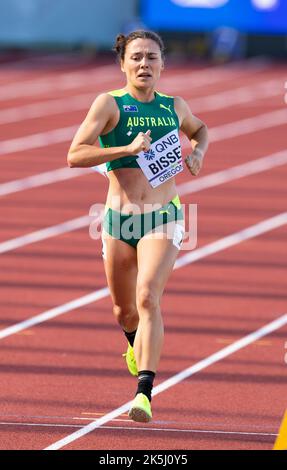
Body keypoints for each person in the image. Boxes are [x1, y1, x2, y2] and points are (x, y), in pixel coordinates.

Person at [67, 30, 208, 423]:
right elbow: (75, 154)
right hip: (117, 220)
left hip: (164, 216)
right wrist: (126, 150)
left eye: (152, 57)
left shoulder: (174, 106)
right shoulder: (109, 104)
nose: (144, 64)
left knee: (148, 297)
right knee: (124, 311)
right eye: (137, 58)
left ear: (163, 64)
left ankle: (144, 392)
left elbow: (200, 128)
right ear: (123, 64)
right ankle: (134, 344)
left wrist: (198, 150)